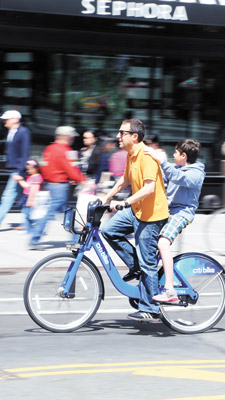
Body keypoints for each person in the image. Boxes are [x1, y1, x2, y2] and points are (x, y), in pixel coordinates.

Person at [99, 118, 169, 323]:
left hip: (151, 215)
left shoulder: (146, 156)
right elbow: (125, 180)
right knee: (108, 230)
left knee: (148, 261)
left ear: (134, 136)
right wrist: (107, 197)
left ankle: (151, 308)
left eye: (122, 133)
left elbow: (149, 188)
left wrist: (125, 202)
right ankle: (135, 265)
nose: (118, 136)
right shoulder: (131, 155)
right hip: (137, 210)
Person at [144, 139, 205, 303]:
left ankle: (170, 289)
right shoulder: (177, 167)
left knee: (163, 244)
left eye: (175, 153)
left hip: (181, 214)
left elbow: (178, 177)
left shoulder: (196, 173)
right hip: (167, 211)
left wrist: (163, 161)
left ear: (183, 156)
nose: (173, 155)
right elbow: (163, 177)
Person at [29, 126, 86, 249]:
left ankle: (75, 239)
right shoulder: (67, 151)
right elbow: (72, 169)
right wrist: (83, 181)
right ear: (67, 136)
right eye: (72, 136)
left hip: (51, 184)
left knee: (66, 212)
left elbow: (44, 167)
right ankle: (34, 239)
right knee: (55, 213)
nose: (73, 138)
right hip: (60, 186)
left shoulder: (48, 149)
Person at [0, 110, 30, 230]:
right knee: (24, 197)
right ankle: (27, 222)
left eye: (7, 119)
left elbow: (24, 154)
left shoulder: (23, 132)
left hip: (18, 170)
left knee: (7, 196)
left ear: (15, 119)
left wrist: (19, 172)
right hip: (13, 169)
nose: (4, 122)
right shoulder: (11, 132)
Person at [14, 159, 44, 234]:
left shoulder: (37, 177)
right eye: (28, 169)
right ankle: (28, 229)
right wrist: (20, 180)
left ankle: (37, 228)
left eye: (31, 169)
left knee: (30, 215)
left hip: (31, 198)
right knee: (26, 214)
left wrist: (31, 200)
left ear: (36, 168)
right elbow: (26, 186)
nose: (29, 170)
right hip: (26, 197)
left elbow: (34, 190)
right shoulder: (31, 176)